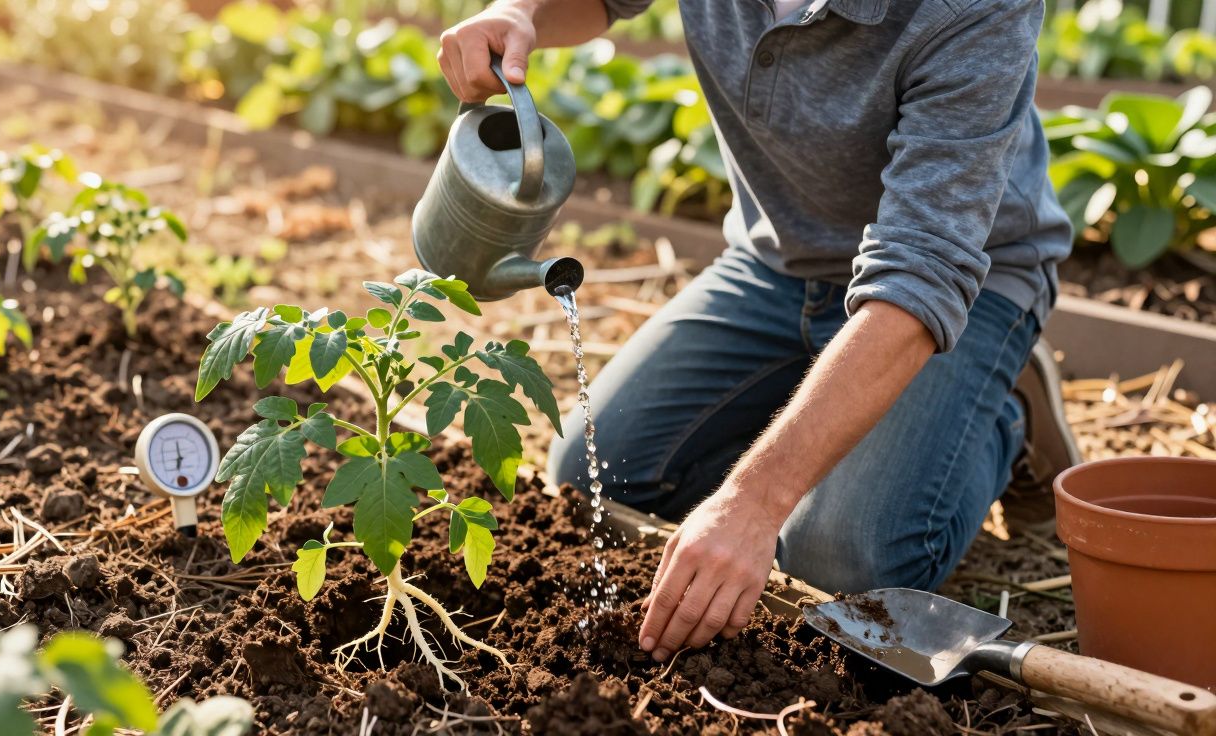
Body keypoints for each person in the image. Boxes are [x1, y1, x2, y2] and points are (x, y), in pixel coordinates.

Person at [436, 0, 1080, 664]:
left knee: (839, 563)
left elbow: (921, 277)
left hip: (958, 287)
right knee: (591, 476)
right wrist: (521, 13)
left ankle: (1002, 414)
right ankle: (825, 429)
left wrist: (755, 500)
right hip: (778, 263)